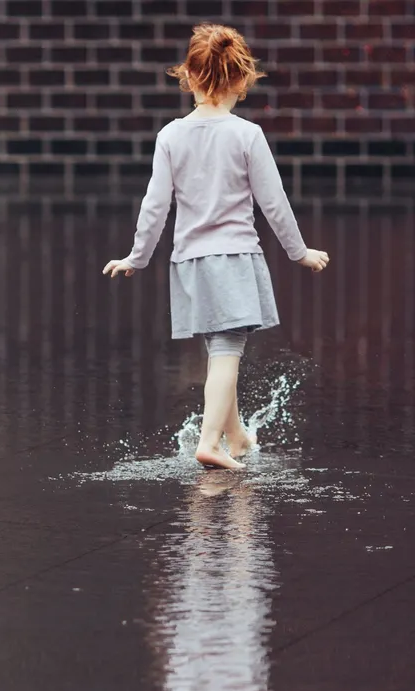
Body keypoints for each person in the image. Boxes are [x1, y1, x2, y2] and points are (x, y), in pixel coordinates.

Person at [103, 23, 329, 471]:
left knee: (217, 348)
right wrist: (299, 251)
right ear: (243, 78)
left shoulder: (170, 136)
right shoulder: (247, 135)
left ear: (187, 75)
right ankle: (210, 442)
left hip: (188, 263)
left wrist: (137, 257)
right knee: (228, 350)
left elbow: (155, 205)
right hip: (233, 259)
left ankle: (236, 434)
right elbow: (274, 203)